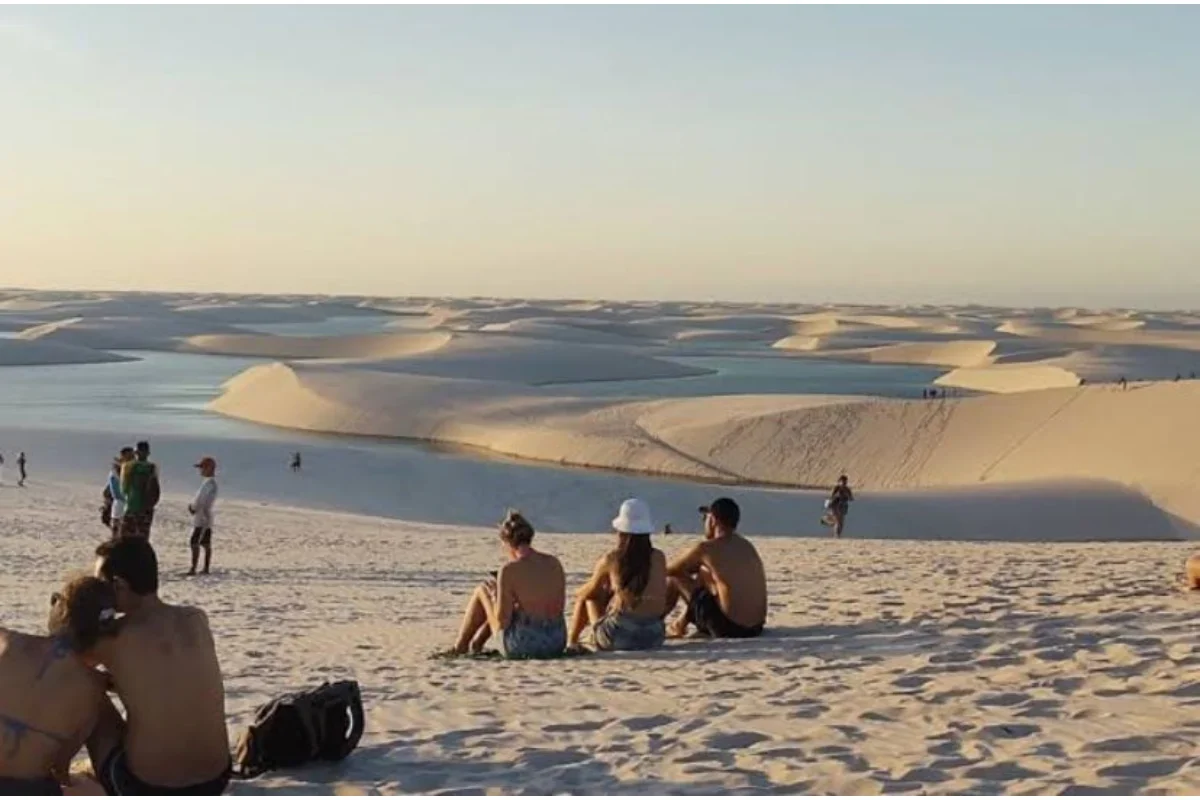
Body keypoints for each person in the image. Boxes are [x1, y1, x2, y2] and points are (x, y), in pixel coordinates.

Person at [88, 537, 231, 794]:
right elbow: (163, 677)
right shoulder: (196, 619)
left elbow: (62, 668)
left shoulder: (115, 636)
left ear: (118, 584)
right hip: (216, 778)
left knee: (86, 691)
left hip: (146, 786)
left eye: (100, 584)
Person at [0, 575, 117, 795]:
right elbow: (60, 766)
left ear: (61, 609)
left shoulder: (10, 641)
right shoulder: (93, 688)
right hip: (28, 789)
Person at [451, 511, 567, 658]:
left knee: (482, 590)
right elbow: (558, 606)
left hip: (523, 645)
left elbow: (501, 622)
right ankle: (477, 644)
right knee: (508, 602)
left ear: (507, 543)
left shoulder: (509, 570)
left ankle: (461, 646)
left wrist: (495, 598)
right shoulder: (553, 563)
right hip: (555, 641)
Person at [567, 498, 667, 652]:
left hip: (621, 635)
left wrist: (577, 592)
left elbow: (590, 590)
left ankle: (572, 641)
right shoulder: (659, 557)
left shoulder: (612, 558)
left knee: (588, 597)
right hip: (655, 635)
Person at [664, 498, 767, 639]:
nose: (704, 523)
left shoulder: (706, 549)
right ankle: (679, 624)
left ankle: (652, 624)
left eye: (705, 518)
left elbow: (671, 570)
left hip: (730, 629)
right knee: (706, 574)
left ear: (713, 520)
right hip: (756, 627)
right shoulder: (747, 546)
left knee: (675, 578)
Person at [119, 442, 160, 539]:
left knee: (126, 537)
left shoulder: (127, 466)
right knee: (143, 537)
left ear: (136, 452)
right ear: (148, 453)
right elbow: (155, 488)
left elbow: (123, 489)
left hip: (131, 505)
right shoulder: (152, 467)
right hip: (146, 508)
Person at [187, 457, 219, 577]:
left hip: (202, 516)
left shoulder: (209, 484)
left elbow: (201, 500)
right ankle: (205, 567)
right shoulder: (209, 483)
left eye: (203, 467)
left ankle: (194, 568)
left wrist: (193, 508)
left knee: (195, 541)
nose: (201, 470)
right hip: (205, 515)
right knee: (205, 542)